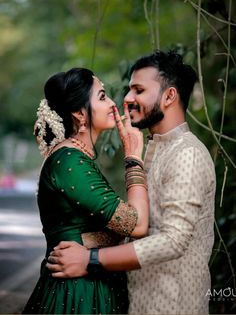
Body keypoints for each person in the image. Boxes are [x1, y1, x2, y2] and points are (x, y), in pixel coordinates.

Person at [47, 50, 216, 315]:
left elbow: (173, 240)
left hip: (172, 304)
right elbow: (138, 227)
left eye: (138, 90)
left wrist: (90, 260)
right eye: (128, 89)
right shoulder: (152, 149)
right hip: (138, 301)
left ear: (169, 96)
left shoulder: (187, 154)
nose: (126, 98)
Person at [22, 67, 149, 314]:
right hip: (76, 293)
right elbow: (136, 225)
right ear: (80, 113)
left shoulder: (78, 157)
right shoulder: (70, 162)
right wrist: (133, 158)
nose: (113, 103)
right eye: (102, 96)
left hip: (90, 282)